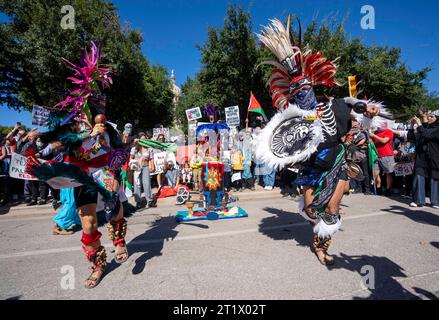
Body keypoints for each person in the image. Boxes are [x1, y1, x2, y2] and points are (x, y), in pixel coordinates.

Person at [255, 17, 387, 265]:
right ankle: (317, 228)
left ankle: (321, 248)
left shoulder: (336, 105)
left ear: (313, 86)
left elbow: (356, 106)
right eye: (298, 93)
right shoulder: (297, 122)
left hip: (337, 164)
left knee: (332, 211)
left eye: (306, 89)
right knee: (311, 210)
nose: (303, 94)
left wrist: (367, 110)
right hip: (312, 169)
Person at [28, 41, 129, 288]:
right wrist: (42, 154)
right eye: (98, 103)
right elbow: (61, 143)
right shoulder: (72, 127)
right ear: (85, 103)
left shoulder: (110, 128)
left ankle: (119, 240)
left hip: (104, 172)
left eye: (104, 103)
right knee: (88, 223)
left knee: (114, 203)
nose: (102, 106)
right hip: (81, 176)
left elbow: (120, 150)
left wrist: (116, 166)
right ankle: (98, 264)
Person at [402, 112, 439, 208]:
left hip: (434, 158)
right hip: (421, 158)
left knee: (434, 179)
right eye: (428, 116)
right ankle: (418, 200)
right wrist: (411, 125)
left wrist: (419, 123)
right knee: (418, 176)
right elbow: (411, 138)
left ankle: (435, 201)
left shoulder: (437, 129)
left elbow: (427, 135)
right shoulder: (423, 127)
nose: (429, 118)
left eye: (432, 117)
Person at [370, 125, 395, 196]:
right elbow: (371, 143)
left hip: (387, 155)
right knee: (375, 173)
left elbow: (384, 141)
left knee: (388, 173)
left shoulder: (388, 131)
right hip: (375, 155)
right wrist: (370, 136)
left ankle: (388, 190)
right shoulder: (375, 132)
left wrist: (374, 136)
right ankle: (378, 188)